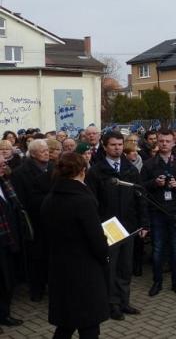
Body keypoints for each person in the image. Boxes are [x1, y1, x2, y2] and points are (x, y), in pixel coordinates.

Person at [41, 152, 109, 339]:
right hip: (85, 270)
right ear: (82, 171)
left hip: (59, 267)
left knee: (66, 323)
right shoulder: (83, 200)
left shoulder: (49, 198)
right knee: (89, 324)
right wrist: (105, 255)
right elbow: (96, 240)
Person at [85, 131, 148, 321]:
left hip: (128, 225)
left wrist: (144, 223)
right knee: (111, 267)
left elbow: (141, 198)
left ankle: (124, 301)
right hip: (108, 227)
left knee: (125, 266)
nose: (117, 148)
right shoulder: (96, 171)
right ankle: (112, 304)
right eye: (113, 145)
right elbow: (91, 202)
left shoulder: (130, 169)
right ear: (105, 146)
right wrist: (98, 226)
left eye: (120, 144)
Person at [141, 129, 176, 297]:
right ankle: (157, 282)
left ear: (173, 143)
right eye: (161, 141)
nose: (164, 144)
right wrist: (154, 183)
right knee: (157, 248)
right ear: (157, 142)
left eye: (168, 141)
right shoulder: (149, 164)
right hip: (157, 210)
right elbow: (141, 187)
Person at [10, 138, 53, 302]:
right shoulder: (21, 172)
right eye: (43, 151)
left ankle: (51, 284)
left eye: (47, 150)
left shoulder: (53, 167)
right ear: (33, 154)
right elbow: (21, 199)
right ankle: (36, 289)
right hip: (34, 220)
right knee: (36, 257)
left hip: (51, 219)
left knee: (50, 255)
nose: (46, 153)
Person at [0, 155, 24, 333]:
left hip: (8, 240)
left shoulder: (5, 183)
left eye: (4, 163)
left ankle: (4, 314)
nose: (4, 166)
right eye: (0, 164)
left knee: (7, 280)